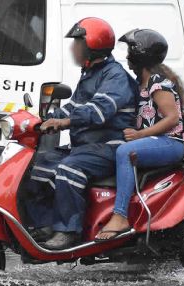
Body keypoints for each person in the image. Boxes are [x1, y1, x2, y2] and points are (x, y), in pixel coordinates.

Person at [25, 17, 138, 250]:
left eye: (77, 43)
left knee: (69, 169)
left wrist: (64, 122)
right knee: (41, 166)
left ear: (92, 45)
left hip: (109, 146)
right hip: (86, 146)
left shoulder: (115, 76)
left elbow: (98, 111)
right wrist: (44, 119)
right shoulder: (90, 73)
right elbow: (75, 105)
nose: (72, 48)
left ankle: (68, 231)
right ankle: (45, 224)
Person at [96, 29, 184, 241]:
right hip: (155, 140)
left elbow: (172, 118)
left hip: (171, 142)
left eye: (131, 51)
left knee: (125, 152)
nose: (127, 56)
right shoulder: (141, 82)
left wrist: (140, 135)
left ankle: (120, 216)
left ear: (142, 55)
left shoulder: (158, 81)